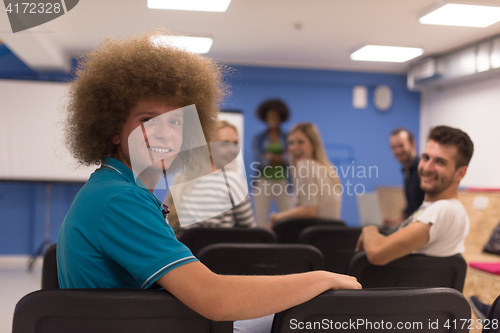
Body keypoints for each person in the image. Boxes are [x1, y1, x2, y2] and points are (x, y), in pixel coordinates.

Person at [57, 31, 361, 327]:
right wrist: (321, 276)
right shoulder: (120, 199)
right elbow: (215, 299)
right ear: (112, 129)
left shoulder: (116, 188)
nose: (165, 132)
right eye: (148, 120)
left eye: (176, 121)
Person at [356, 126, 474, 265]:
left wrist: (369, 228)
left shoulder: (444, 209)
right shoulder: (434, 209)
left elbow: (377, 252)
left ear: (460, 173)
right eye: (426, 158)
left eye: (440, 162)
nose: (427, 168)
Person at [165, 120, 256, 230]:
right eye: (224, 144)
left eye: (235, 144)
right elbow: (250, 231)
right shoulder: (233, 181)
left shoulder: (181, 179)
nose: (232, 150)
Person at [269, 122, 342, 225]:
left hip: (314, 236)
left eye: (300, 142)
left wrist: (276, 218)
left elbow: (310, 210)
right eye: (291, 143)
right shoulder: (326, 169)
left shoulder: (304, 165)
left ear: (313, 145)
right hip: (330, 236)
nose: (294, 148)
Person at [252, 99, 292, 227]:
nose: (272, 119)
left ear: (281, 118)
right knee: (260, 221)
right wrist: (280, 157)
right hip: (263, 182)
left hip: (283, 182)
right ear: (265, 118)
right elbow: (259, 160)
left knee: (287, 219)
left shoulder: (288, 137)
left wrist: (269, 156)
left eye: (275, 116)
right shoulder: (258, 138)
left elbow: (290, 159)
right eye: (270, 116)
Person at [385, 128, 425, 227]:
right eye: (393, 147)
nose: (397, 151)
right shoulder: (406, 171)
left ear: (413, 143)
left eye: (401, 146)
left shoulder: (423, 170)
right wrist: (399, 220)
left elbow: (425, 206)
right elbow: (413, 205)